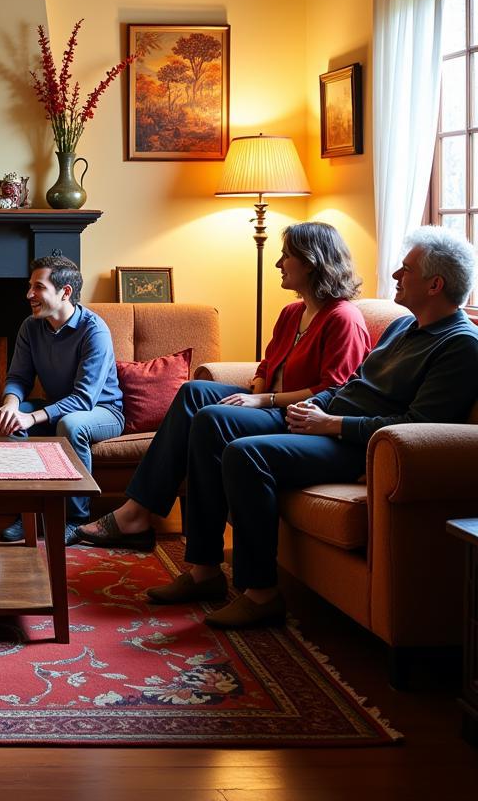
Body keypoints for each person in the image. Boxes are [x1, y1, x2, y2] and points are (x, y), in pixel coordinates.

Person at [145, 226, 478, 629]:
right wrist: (311, 407)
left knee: (245, 453)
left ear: (434, 284)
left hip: (361, 446)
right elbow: (350, 384)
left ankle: (261, 594)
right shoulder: (402, 327)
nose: (394, 276)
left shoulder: (461, 345)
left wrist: (332, 424)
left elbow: (419, 426)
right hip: (327, 423)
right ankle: (204, 570)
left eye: (405, 270)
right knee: (210, 421)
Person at [78, 221, 370, 552]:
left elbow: (333, 390)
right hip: (267, 401)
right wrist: (259, 386)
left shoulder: (343, 319)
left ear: (311, 261)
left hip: (296, 417)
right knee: (193, 392)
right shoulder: (292, 313)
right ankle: (137, 511)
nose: (278, 264)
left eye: (286, 256)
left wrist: (264, 399)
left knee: (211, 418)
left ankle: (183, 545)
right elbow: (267, 362)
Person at [0, 255, 125, 546]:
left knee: (71, 425)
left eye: (38, 287)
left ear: (65, 292)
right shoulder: (30, 326)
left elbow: (84, 398)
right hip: (57, 406)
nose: (29, 295)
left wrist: (33, 417)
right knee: (10, 420)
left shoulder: (94, 330)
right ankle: (29, 513)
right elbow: (18, 378)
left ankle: (77, 520)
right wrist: (12, 406)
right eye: (30, 286)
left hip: (102, 411)